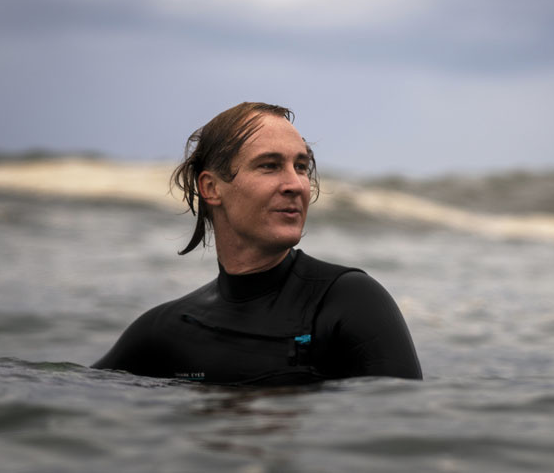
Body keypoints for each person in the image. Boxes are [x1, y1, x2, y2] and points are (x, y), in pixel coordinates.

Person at [93, 102, 422, 385]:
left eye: (301, 167)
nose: (295, 184)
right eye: (270, 166)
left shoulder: (350, 303)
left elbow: (400, 439)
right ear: (210, 188)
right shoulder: (166, 329)